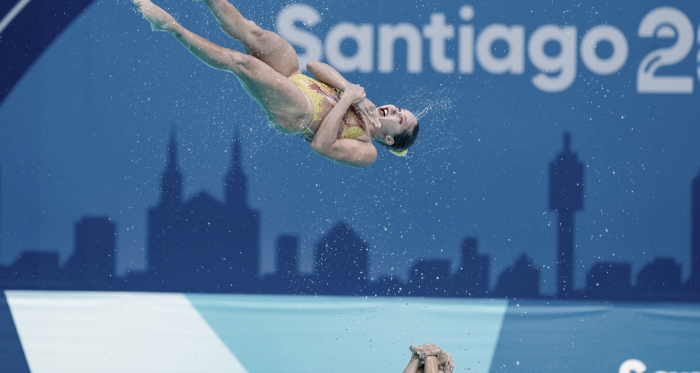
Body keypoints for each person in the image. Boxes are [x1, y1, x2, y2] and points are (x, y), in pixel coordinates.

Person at [134, 0, 420, 168]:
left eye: (400, 119)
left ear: (391, 139)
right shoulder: (362, 100)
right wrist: (351, 92)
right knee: (252, 32)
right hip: (296, 76)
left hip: (300, 113)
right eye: (400, 109)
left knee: (241, 63)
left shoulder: (368, 150)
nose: (394, 110)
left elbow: (321, 145)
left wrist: (347, 99)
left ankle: (171, 27)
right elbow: (314, 66)